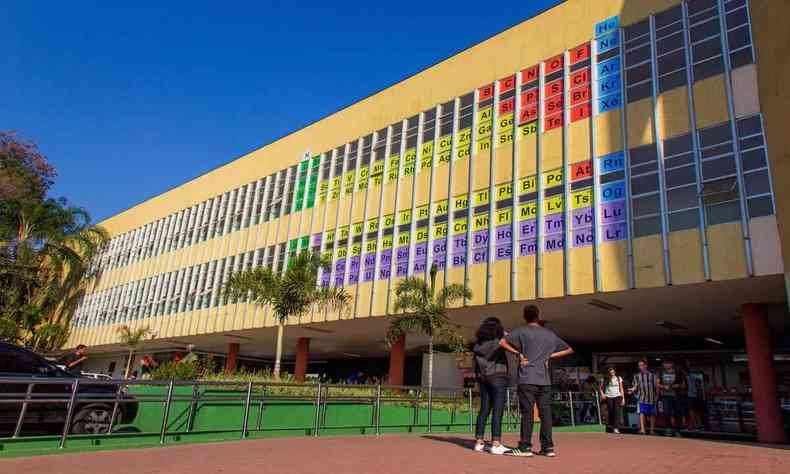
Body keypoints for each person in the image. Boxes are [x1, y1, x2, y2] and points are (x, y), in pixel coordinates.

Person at [500, 305, 574, 457]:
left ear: (524, 316)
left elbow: (502, 342)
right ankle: (548, 448)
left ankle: (525, 447)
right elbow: (569, 349)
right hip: (544, 379)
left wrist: (518, 353)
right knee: (545, 414)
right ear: (538, 316)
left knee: (527, 413)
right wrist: (549, 356)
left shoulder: (521, 331)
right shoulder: (549, 334)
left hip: (527, 378)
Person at [472, 317, 511, 455]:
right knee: (498, 410)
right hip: (498, 377)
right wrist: (505, 333)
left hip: (483, 378)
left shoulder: (477, 345)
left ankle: (479, 442)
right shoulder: (498, 342)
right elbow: (512, 339)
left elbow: (476, 365)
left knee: (484, 410)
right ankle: (496, 443)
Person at [629, 359, 659, 435]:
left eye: (642, 365)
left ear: (646, 365)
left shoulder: (653, 376)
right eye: (639, 365)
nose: (641, 367)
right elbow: (635, 386)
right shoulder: (637, 376)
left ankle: (652, 430)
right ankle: (643, 430)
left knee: (652, 414)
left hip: (652, 397)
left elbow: (657, 387)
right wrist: (632, 390)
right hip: (642, 397)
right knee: (642, 413)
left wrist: (657, 396)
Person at [657, 359, 685, 436]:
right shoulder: (661, 372)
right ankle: (668, 428)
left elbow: (683, 385)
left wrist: (677, 386)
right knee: (666, 412)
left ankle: (677, 430)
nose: (665, 365)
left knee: (677, 413)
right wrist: (663, 386)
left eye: (667, 363)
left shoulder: (678, 372)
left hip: (676, 395)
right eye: (664, 364)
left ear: (672, 364)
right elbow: (657, 384)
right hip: (665, 396)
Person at [600, 367, 625, 434]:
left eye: (613, 372)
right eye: (611, 373)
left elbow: (621, 388)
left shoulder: (618, 378)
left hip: (617, 396)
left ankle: (616, 428)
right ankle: (611, 426)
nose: (612, 374)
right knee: (611, 411)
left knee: (617, 411)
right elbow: (601, 388)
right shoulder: (605, 379)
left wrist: (623, 399)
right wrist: (602, 394)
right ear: (608, 373)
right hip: (609, 396)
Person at [685, 364, 705, 431]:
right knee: (697, 411)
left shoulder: (688, 377)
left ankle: (691, 426)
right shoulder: (697, 376)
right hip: (697, 396)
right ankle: (699, 425)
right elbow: (701, 386)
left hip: (691, 396)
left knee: (692, 412)